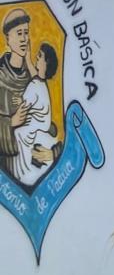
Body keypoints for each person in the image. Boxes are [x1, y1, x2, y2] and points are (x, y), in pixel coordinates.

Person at [0, 8, 55, 183]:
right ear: (8, 39)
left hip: (33, 163)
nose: (24, 38)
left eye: (26, 32)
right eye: (19, 33)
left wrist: (53, 152)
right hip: (7, 172)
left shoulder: (33, 78)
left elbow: (45, 122)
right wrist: (10, 123)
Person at [13, 42, 60, 187]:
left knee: (16, 134)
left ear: (46, 64)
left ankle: (22, 175)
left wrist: (18, 101)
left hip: (31, 130)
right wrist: (27, 58)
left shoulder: (35, 86)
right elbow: (35, 74)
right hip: (39, 128)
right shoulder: (41, 83)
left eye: (40, 56)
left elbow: (24, 107)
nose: (37, 57)